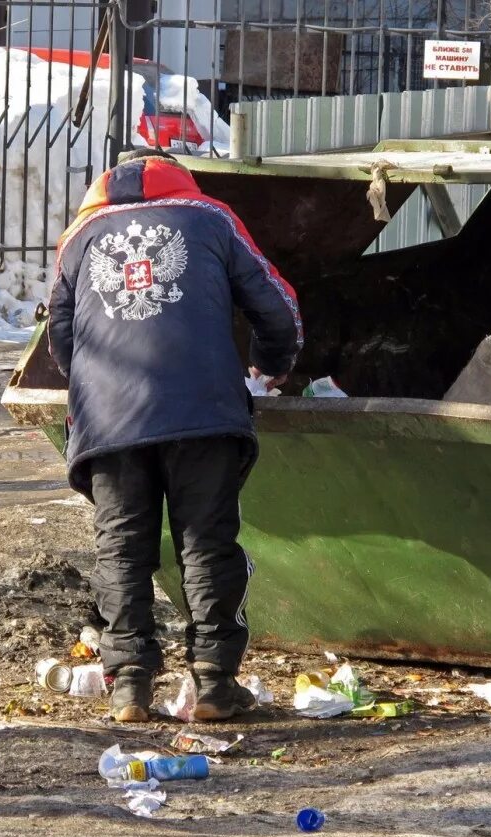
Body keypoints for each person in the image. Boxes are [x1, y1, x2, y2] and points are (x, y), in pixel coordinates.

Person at [47, 148, 302, 723]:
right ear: (177, 177)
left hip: (108, 423)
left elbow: (61, 339)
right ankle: (213, 684)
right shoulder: (210, 218)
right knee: (206, 542)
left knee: (122, 547)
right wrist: (272, 365)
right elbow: (278, 307)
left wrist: (99, 390)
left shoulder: (79, 236)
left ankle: (129, 687)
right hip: (203, 412)